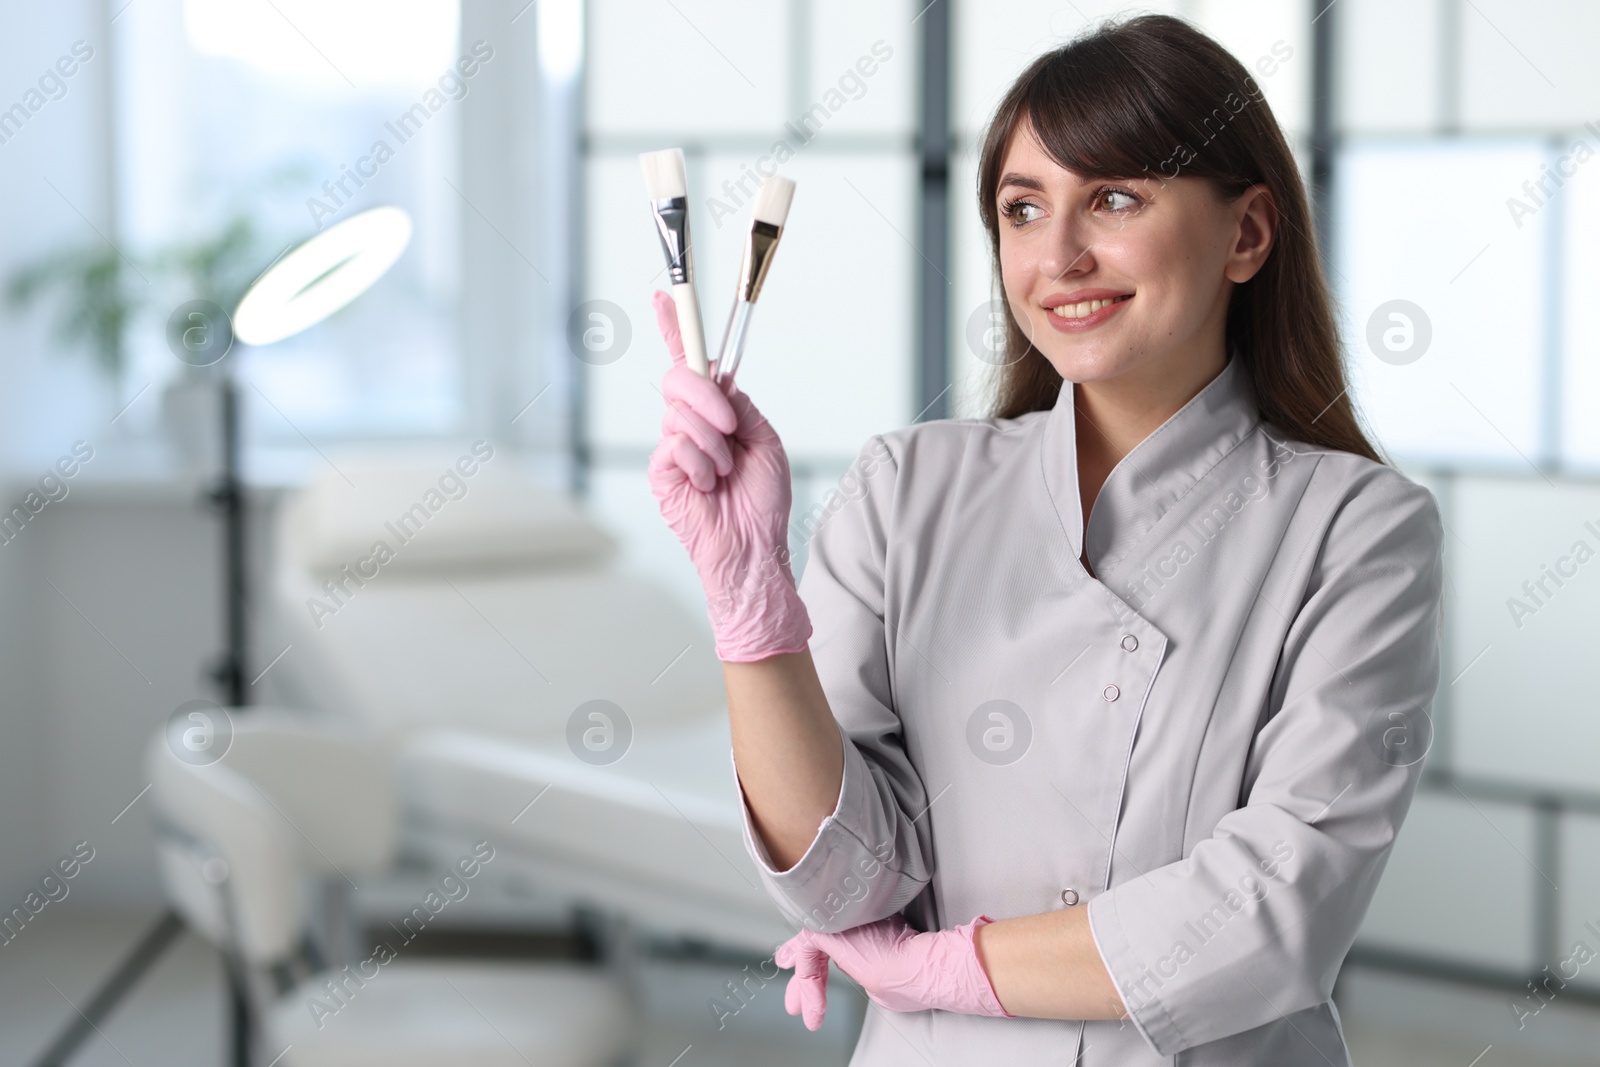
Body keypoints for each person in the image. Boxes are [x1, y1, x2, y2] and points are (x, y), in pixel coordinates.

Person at [646, 13, 1444, 1065]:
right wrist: (746, 595)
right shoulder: (906, 487)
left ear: (1247, 234)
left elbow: (1273, 909)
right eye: (1023, 209)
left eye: (1114, 197)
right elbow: (844, 879)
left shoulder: (1356, 527)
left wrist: (937, 967)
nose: (1058, 255)